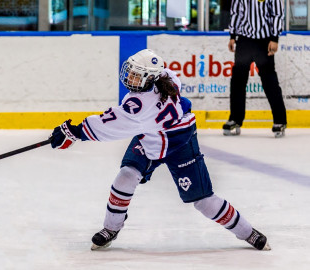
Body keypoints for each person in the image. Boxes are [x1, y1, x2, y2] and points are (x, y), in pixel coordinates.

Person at [50, 49, 271, 251]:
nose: (129, 78)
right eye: (131, 73)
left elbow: (110, 125)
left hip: (179, 143)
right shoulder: (167, 77)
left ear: (149, 78)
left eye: (136, 75)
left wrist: (74, 131)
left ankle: (248, 233)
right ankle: (111, 229)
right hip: (150, 138)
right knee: (125, 177)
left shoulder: (139, 107)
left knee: (203, 201)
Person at [224, 0, 287, 138]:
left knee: (269, 81)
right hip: (244, 40)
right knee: (237, 81)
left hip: (264, 40)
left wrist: (275, 38)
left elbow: (277, 13)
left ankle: (280, 120)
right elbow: (235, 12)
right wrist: (233, 36)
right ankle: (235, 118)